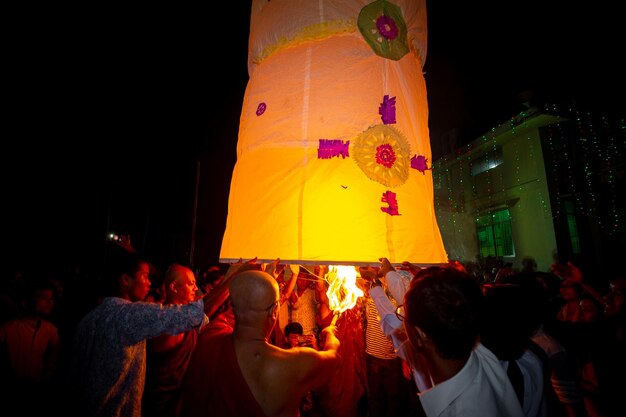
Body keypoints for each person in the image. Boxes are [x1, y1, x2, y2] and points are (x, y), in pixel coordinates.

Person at [363, 258, 525, 417]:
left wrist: (379, 284)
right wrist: (397, 277)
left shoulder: (458, 411)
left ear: (418, 336)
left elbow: (393, 324)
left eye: (403, 316)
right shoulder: (482, 353)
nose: (401, 320)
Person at [66, 248, 209, 417]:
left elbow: (74, 377)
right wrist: (233, 283)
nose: (149, 283)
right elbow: (192, 315)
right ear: (125, 280)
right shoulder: (130, 315)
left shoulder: (88, 320)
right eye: (145, 276)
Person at [179, 269, 341, 417]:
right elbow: (333, 357)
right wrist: (330, 332)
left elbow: (240, 304)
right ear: (274, 310)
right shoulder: (293, 362)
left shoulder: (211, 335)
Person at [142, 262, 239, 417]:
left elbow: (208, 300)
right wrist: (234, 277)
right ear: (174, 287)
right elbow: (203, 308)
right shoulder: (165, 321)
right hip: (163, 406)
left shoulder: (188, 314)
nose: (195, 288)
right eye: (191, 284)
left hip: (184, 402)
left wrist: (232, 275)